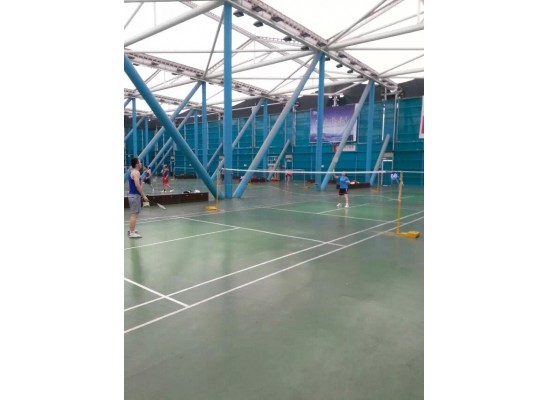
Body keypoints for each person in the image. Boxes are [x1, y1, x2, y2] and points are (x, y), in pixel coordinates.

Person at [128, 158, 148, 238]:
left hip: (133, 195)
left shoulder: (132, 172)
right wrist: (143, 195)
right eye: (139, 162)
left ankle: (131, 229)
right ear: (137, 164)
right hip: (135, 196)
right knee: (134, 214)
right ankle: (132, 233)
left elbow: (134, 185)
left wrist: (141, 184)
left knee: (134, 214)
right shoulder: (136, 172)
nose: (141, 163)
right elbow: (137, 185)